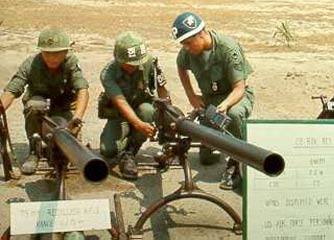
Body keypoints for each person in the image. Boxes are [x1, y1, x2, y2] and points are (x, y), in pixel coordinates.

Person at [171, 12, 255, 190]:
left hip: (234, 97)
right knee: (207, 158)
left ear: (201, 34)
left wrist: (225, 105)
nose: (185, 47)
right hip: (210, 101)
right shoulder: (188, 51)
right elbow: (180, 66)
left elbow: (239, 88)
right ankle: (221, 142)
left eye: (187, 42)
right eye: (182, 44)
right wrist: (191, 96)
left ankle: (236, 162)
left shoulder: (227, 48)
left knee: (232, 115)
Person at [0, 26, 89, 175]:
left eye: (57, 54)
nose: (52, 58)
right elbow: (12, 90)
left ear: (66, 52)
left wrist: (77, 118)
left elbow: (83, 90)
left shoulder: (71, 63)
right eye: (47, 53)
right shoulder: (31, 63)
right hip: (39, 110)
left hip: (64, 107)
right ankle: (34, 151)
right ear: (41, 51)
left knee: (68, 145)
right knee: (34, 105)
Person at [99, 31, 170, 180]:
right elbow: (120, 102)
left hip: (142, 109)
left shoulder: (150, 62)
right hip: (120, 114)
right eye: (129, 64)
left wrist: (168, 118)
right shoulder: (108, 74)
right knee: (108, 150)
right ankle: (125, 139)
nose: (135, 67)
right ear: (118, 59)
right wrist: (138, 125)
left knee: (148, 110)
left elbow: (163, 91)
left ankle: (129, 152)